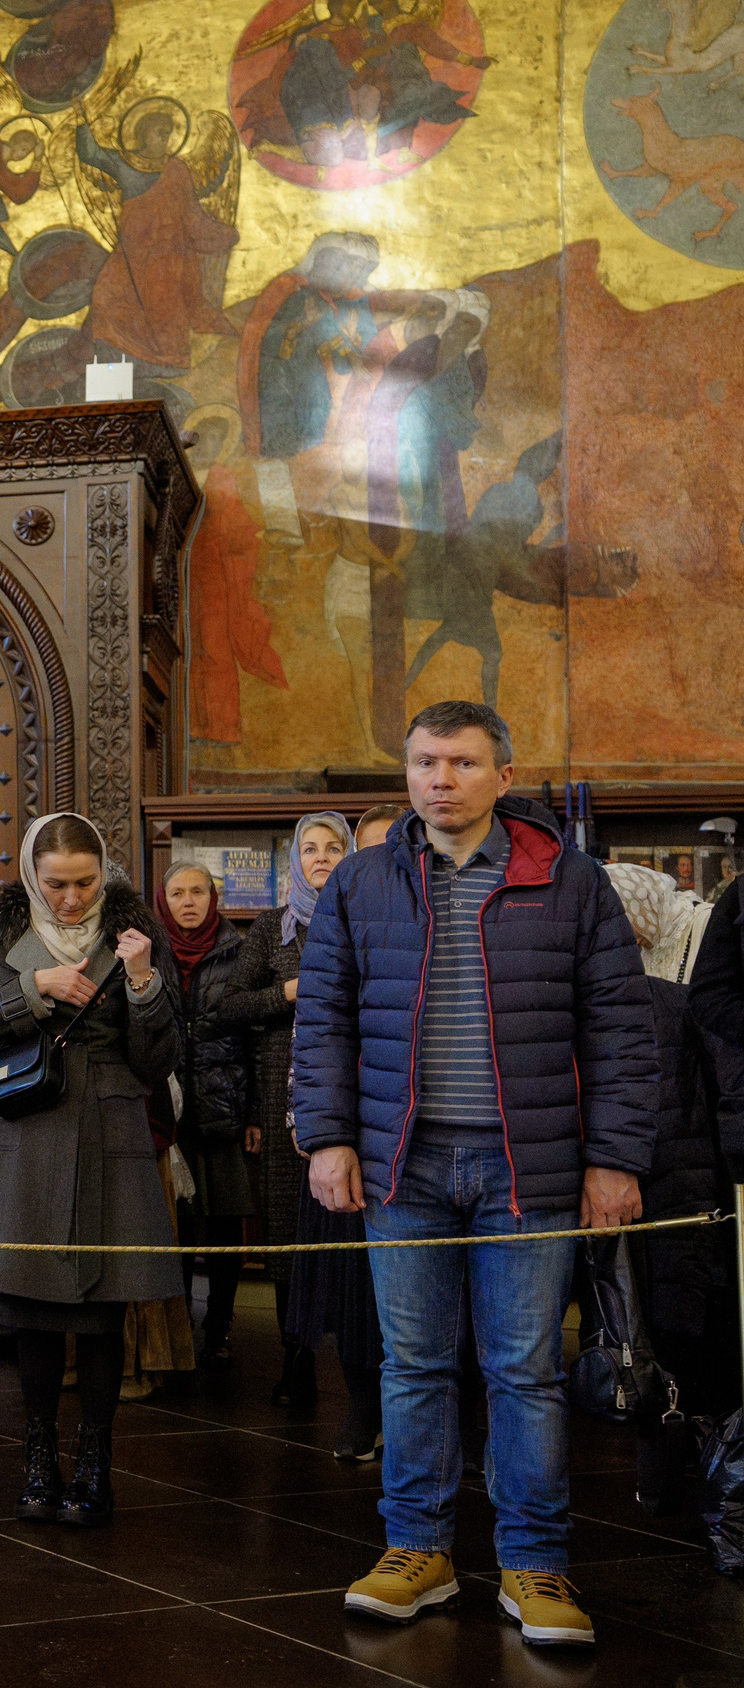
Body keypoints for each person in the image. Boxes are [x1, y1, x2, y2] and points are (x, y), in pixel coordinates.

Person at [299, 702, 655, 1646]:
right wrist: (325, 1136)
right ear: (407, 772)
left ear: (505, 773)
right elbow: (323, 1016)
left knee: (523, 1372)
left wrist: (615, 1157)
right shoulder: (366, 880)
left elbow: (621, 1029)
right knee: (411, 1364)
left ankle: (535, 1561)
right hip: (400, 1160)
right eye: (424, 762)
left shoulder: (569, 880)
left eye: (460, 762)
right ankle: (416, 1546)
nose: (440, 780)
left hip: (525, 1165)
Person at [0, 812, 181, 1527]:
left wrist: (142, 984)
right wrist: (34, 988)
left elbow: (158, 1061)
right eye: (57, 884)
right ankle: (40, 1458)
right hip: (26, 1128)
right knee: (33, 1312)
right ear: (30, 876)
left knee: (104, 1315)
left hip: (110, 1129)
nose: (73, 899)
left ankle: (96, 1464)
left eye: (85, 882)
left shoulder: (135, 934)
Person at [605, 862, 737, 1515]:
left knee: (664, 1338)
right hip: (657, 1199)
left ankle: (682, 1481)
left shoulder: (676, 1001)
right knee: (649, 1337)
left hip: (678, 1199)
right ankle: (676, 1478)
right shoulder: (653, 1002)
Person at [213, 811, 354, 1413]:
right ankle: (295, 1364)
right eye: (310, 849)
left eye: (333, 848)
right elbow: (229, 1007)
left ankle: (359, 1379)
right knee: (289, 1239)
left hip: (351, 1100)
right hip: (282, 1103)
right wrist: (289, 992)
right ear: (294, 861)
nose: (320, 858)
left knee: (349, 1235)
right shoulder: (274, 928)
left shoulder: (365, 918)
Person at [158, 864, 255, 1366]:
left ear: (213, 898)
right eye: (177, 893)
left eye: (198, 891)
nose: (188, 901)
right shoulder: (149, 952)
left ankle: (218, 1327)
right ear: (164, 900)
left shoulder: (238, 950)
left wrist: (254, 1112)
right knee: (177, 1229)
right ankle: (177, 1327)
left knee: (223, 1229)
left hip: (224, 1110)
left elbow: (255, 1037)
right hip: (169, 1118)